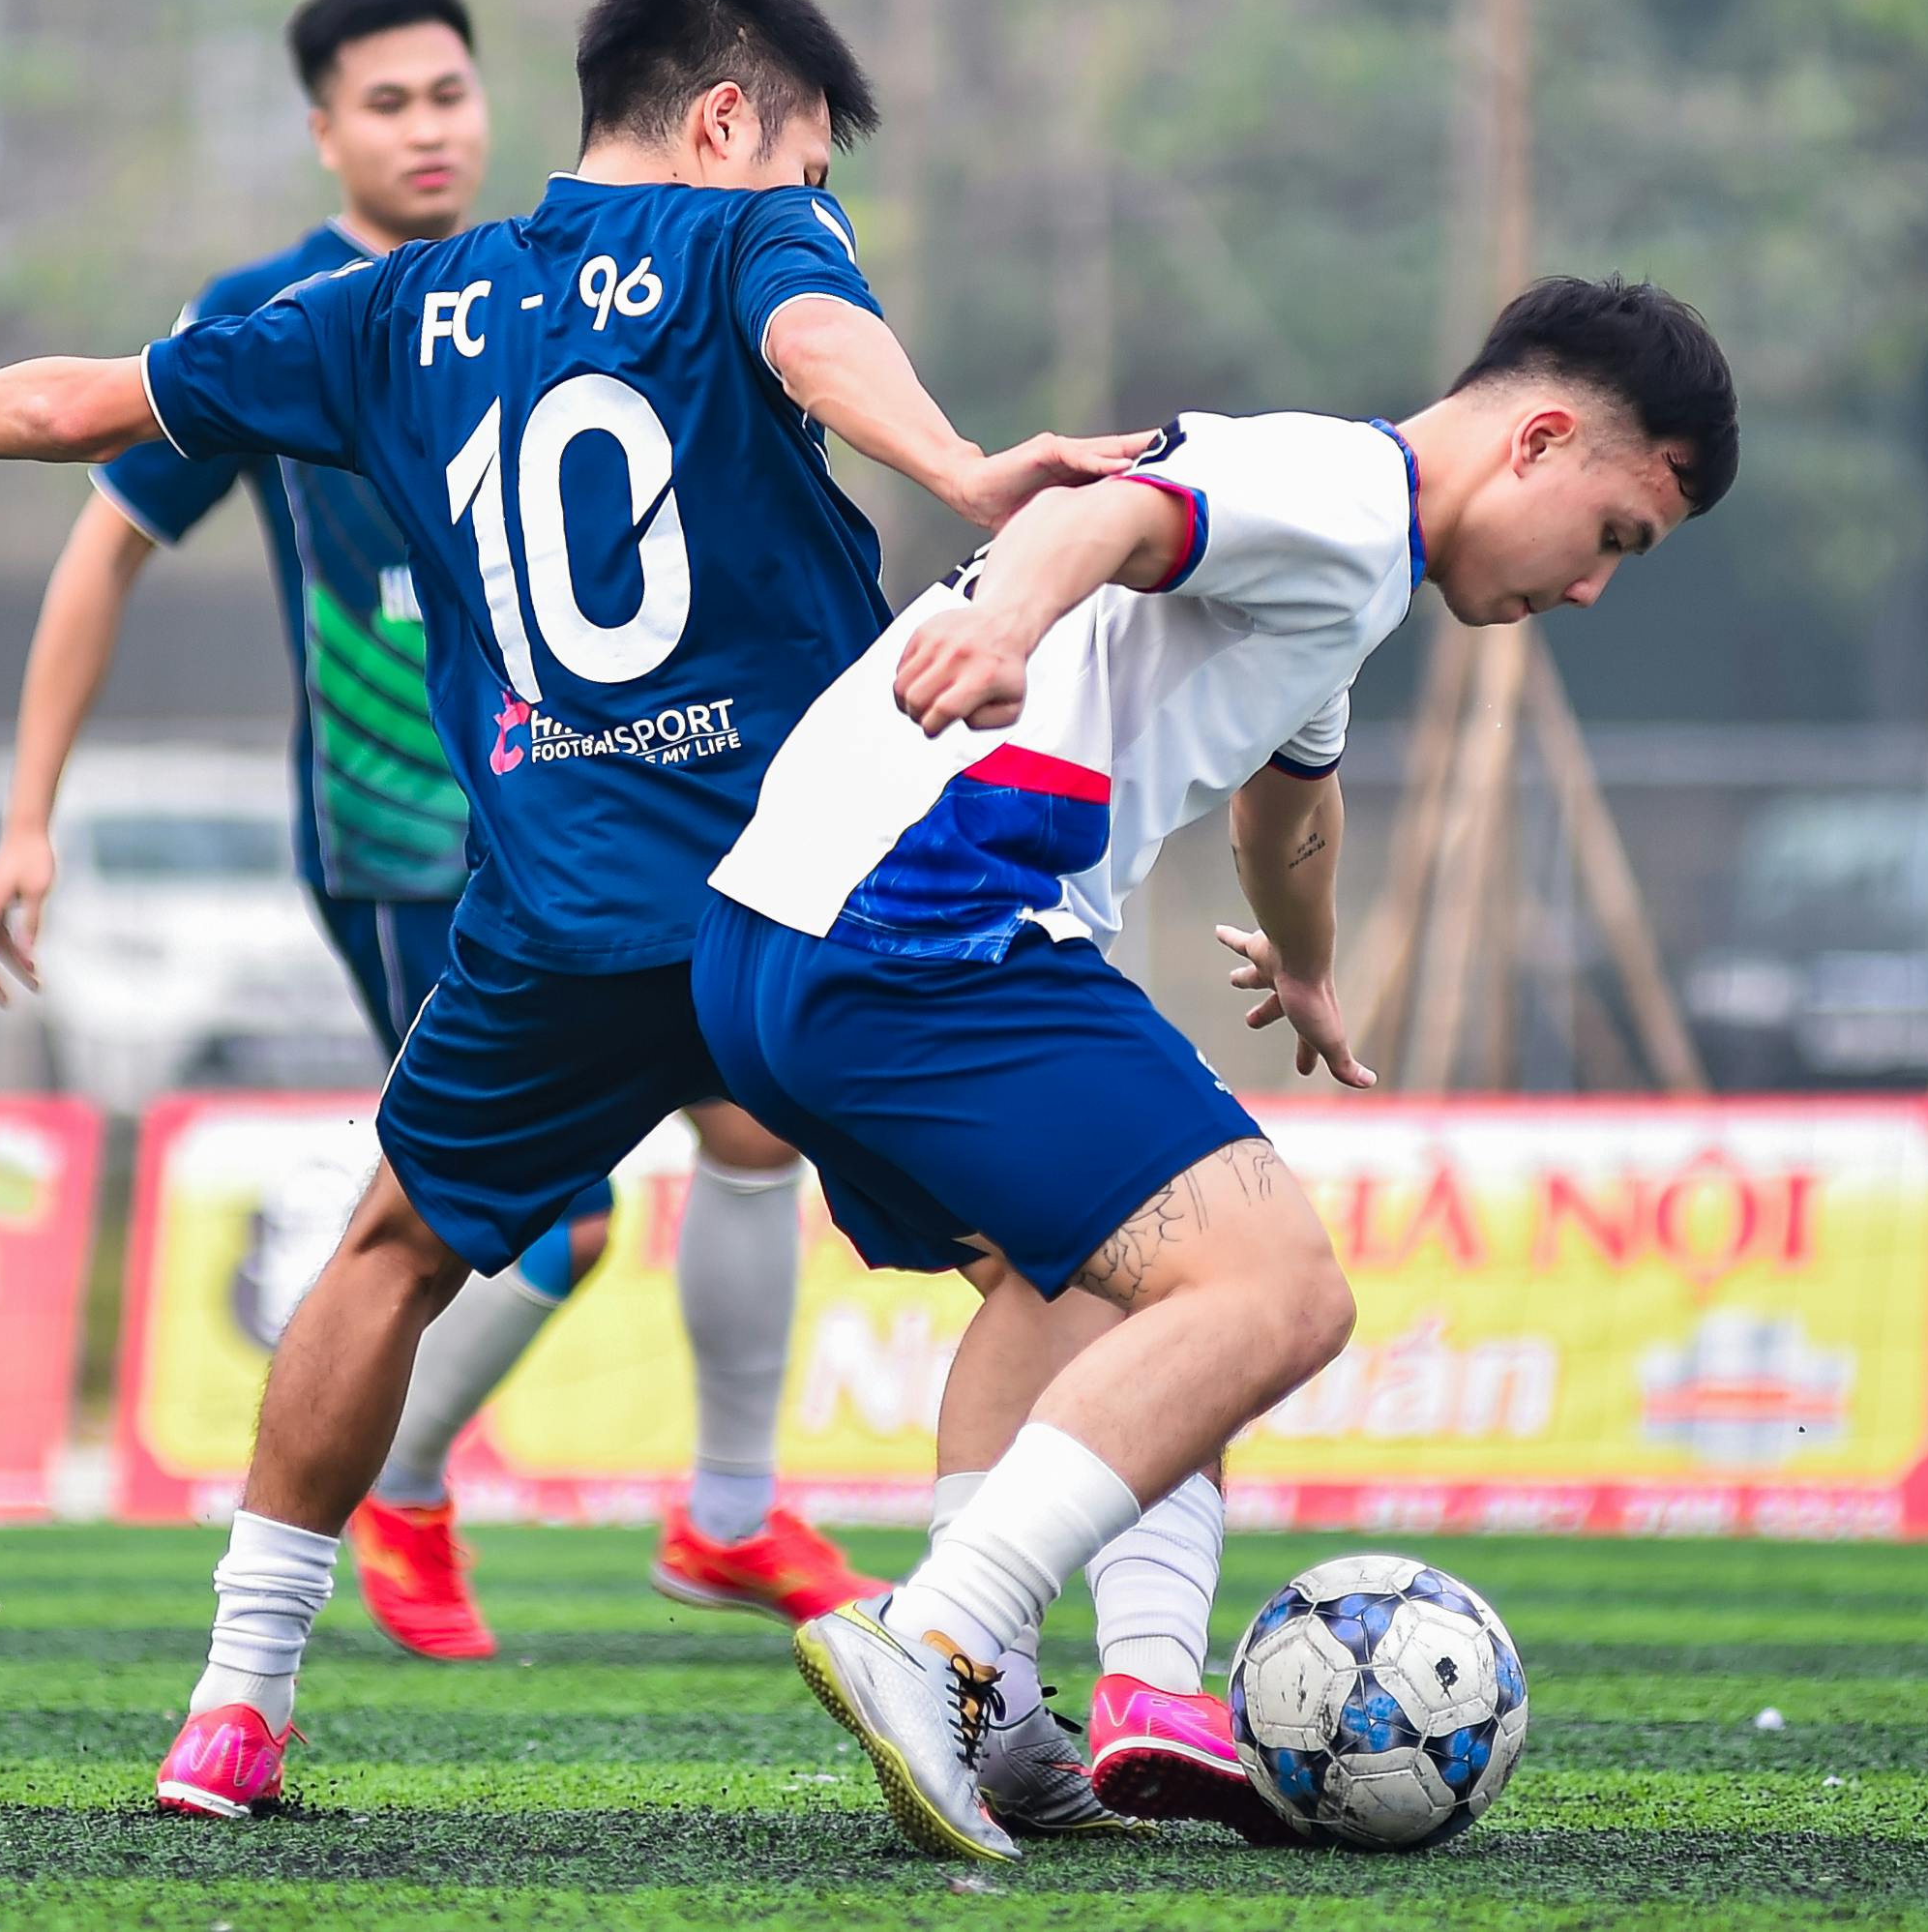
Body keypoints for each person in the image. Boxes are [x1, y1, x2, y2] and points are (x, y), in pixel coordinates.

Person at [0, 0, 1137, 1823]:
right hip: (799, 896)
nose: (819, 197)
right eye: (812, 157)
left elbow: (81, 404)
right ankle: (989, 1689)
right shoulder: (745, 238)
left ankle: (235, 1705)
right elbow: (820, 348)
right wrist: (961, 460)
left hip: (550, 909)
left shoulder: (389, 310)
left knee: (389, 1250)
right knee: (1052, 1249)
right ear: (722, 117)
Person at [706, 279, 1737, 1861]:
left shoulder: (1340, 549)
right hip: (935, 919)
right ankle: (938, 1640)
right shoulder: (1336, 492)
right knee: (1280, 1295)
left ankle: (1016, 1728)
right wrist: (1004, 619)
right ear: (1541, 440)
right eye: (1617, 537)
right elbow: (1108, 521)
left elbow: (1283, 804)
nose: (1594, 589)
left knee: (1064, 1290)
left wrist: (1309, 963)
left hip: (775, 932)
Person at [0, 0, 676, 1667]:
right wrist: (28, 815)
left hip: (573, 813)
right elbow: (107, 536)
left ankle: (726, 1505)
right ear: (323, 130)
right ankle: (407, 1478)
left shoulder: (532, 284)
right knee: (562, 1213)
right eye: (386, 102)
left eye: (449, 93)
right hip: (398, 834)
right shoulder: (276, 311)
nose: (428, 128)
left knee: (737, 1134)